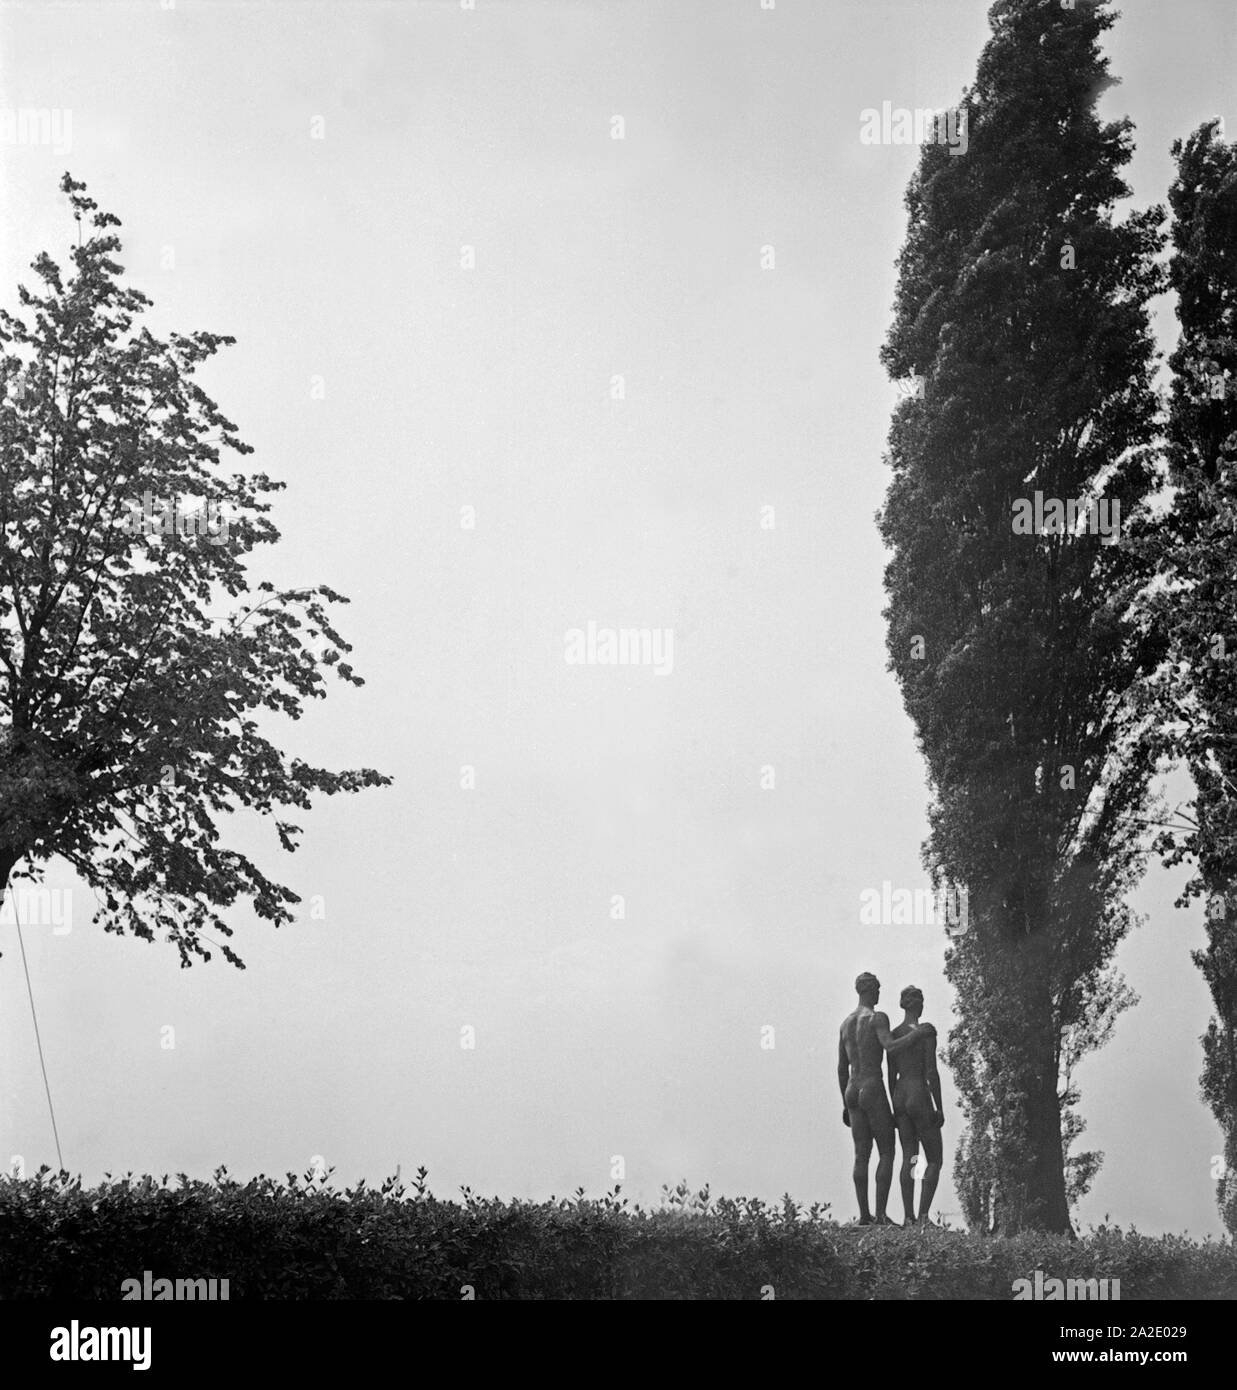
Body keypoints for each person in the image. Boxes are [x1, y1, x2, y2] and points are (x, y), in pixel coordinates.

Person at [838, 971, 934, 1225]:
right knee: (887, 1152)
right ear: (871, 990)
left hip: (851, 1088)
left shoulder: (846, 1023)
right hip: (871, 1085)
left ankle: (864, 1215)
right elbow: (890, 1047)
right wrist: (918, 1033)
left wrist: (844, 1102)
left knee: (861, 1154)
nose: (880, 994)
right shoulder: (877, 1018)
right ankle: (880, 1215)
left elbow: (841, 1067)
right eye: (878, 990)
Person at [887, 984, 944, 1225]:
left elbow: (890, 1074)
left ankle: (908, 1216)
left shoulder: (894, 1034)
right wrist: (939, 1106)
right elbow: (931, 1071)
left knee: (909, 1157)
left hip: (900, 1094)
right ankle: (922, 1216)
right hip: (919, 1092)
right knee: (934, 1159)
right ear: (918, 1003)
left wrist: (893, 1105)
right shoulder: (926, 1032)